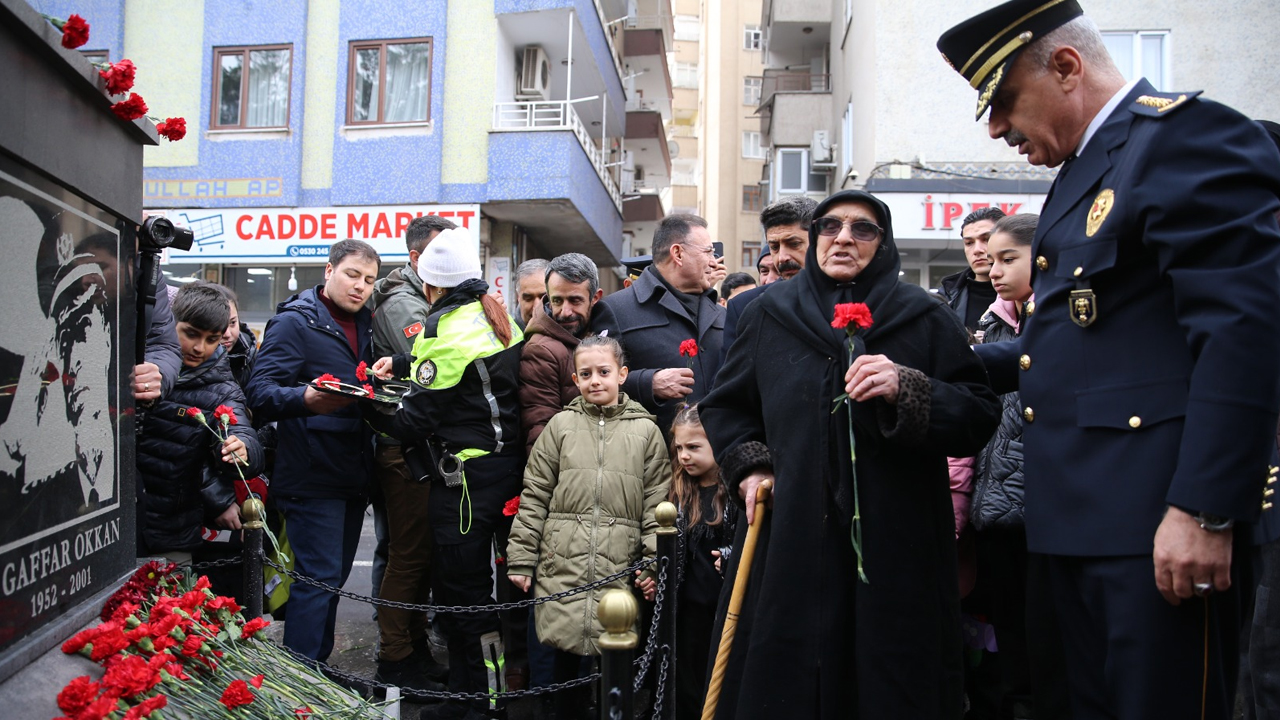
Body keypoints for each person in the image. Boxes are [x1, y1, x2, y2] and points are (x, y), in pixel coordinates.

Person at [937, 2, 1280, 717]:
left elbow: (1244, 332)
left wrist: (1204, 510)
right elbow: (1072, 348)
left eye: (1002, 102)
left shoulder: (1182, 138)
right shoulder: (1078, 173)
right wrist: (933, 361)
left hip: (1158, 526)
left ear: (1066, 67)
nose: (997, 128)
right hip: (1073, 525)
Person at [699, 189, 1000, 719]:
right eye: (831, 226)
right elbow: (727, 407)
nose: (844, 238)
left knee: (891, 679)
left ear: (882, 244)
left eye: (863, 230)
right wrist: (750, 466)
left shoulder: (924, 316)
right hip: (792, 532)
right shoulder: (770, 312)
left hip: (897, 541)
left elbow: (977, 413)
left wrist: (907, 386)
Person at [366, 227, 524, 720]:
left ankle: (475, 705)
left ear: (431, 287)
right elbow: (462, 372)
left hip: (463, 489)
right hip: (503, 471)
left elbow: (415, 420)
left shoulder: (444, 331)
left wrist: (364, 405)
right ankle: (489, 695)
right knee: (487, 599)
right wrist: (404, 359)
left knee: (461, 600)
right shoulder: (495, 316)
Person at [506, 334, 668, 720]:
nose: (595, 380)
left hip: (617, 565)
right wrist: (521, 557)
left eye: (603, 372)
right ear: (575, 379)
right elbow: (535, 495)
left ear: (622, 374)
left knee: (615, 661)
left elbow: (656, 505)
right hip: (562, 563)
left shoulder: (646, 432)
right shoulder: (560, 427)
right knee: (564, 660)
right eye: (585, 374)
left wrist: (650, 564)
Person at [246, 239, 380, 662]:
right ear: (329, 270)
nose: (360, 287)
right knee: (316, 580)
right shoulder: (295, 322)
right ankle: (303, 680)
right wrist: (304, 399)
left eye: (369, 280)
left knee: (331, 581)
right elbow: (259, 392)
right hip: (310, 472)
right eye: (352, 275)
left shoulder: (371, 323)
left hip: (353, 472)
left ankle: (317, 671)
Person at [954, 214, 1055, 720]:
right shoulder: (990, 324)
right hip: (995, 510)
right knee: (1007, 645)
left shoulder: (1060, 320)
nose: (992, 269)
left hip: (1048, 512)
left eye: (1006, 258)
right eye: (987, 259)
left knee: (1048, 647)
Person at [369, 214, 457, 689]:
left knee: (417, 555)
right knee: (407, 556)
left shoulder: (420, 296)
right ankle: (396, 658)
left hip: (415, 445)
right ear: (418, 257)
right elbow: (435, 362)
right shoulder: (405, 304)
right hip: (404, 447)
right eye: (442, 255)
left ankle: (412, 646)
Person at [136, 283, 264, 560]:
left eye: (211, 339)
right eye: (191, 334)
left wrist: (242, 448)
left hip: (171, 531)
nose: (198, 348)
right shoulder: (136, 361)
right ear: (170, 323)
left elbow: (241, 429)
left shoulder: (223, 388)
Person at [591, 214, 723, 434]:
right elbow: (593, 382)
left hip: (717, 454)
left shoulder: (721, 313)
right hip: (651, 456)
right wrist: (648, 383)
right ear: (678, 253)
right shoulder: (616, 309)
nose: (714, 261)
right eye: (708, 252)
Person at [667, 404, 737, 720]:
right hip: (689, 609)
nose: (684, 455)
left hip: (723, 608)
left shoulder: (735, 492)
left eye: (694, 447)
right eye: (680, 447)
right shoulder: (680, 491)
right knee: (688, 683)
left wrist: (730, 559)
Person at [718, 196, 817, 375]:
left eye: (794, 244)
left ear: (819, 241)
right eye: (775, 247)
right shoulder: (744, 307)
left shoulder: (849, 298)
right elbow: (728, 388)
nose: (782, 257)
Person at [519, 252, 604, 454]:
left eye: (575, 300)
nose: (565, 312)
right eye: (557, 301)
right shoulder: (540, 350)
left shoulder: (607, 332)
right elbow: (540, 432)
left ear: (595, 298)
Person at [937, 207, 1005, 335]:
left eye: (986, 239)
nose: (977, 250)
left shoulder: (1029, 293)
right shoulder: (946, 297)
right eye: (969, 243)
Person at [514, 258, 550, 329]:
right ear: (518, 297)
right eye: (528, 299)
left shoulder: (571, 333)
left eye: (544, 298)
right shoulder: (505, 337)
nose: (536, 306)